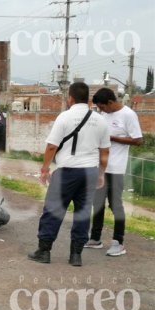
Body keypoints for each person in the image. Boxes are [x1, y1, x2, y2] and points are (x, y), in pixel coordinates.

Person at [28, 82, 110, 267]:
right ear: (88, 98)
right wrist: (101, 174)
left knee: (53, 210)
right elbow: (105, 153)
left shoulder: (64, 117)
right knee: (83, 212)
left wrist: (44, 169)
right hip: (90, 172)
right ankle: (75, 256)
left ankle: (44, 251)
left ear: (70, 98)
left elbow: (51, 146)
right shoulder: (101, 120)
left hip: (67, 171)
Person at [86, 88, 143, 256]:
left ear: (110, 102)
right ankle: (95, 238)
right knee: (97, 204)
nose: (101, 110)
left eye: (102, 107)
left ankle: (119, 242)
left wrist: (111, 138)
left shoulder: (128, 115)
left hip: (116, 169)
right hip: (100, 168)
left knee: (115, 205)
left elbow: (138, 140)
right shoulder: (104, 115)